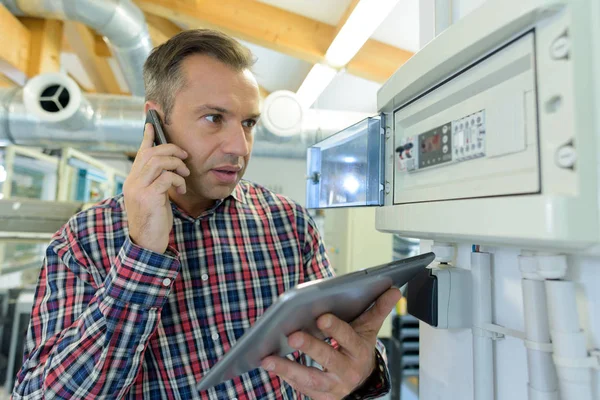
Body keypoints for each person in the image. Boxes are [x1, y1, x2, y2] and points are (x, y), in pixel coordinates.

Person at [12, 29, 400, 400]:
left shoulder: (289, 223)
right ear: (156, 121)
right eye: (214, 118)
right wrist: (142, 256)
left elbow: (334, 348)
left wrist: (363, 373)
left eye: (248, 123)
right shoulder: (82, 241)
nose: (239, 146)